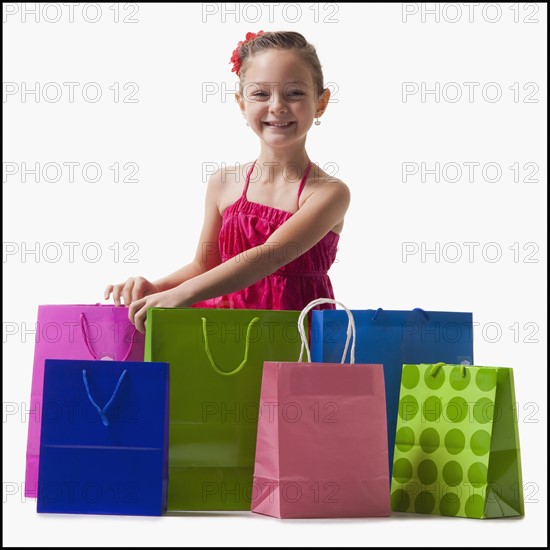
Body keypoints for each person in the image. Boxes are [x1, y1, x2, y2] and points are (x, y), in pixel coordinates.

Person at [104, 31, 350, 333]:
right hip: (221, 333)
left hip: (296, 334)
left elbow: (268, 257)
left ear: (321, 103)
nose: (277, 106)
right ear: (241, 104)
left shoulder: (328, 193)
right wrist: (156, 288)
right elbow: (205, 266)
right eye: (260, 94)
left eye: (295, 93)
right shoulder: (224, 183)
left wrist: (179, 295)